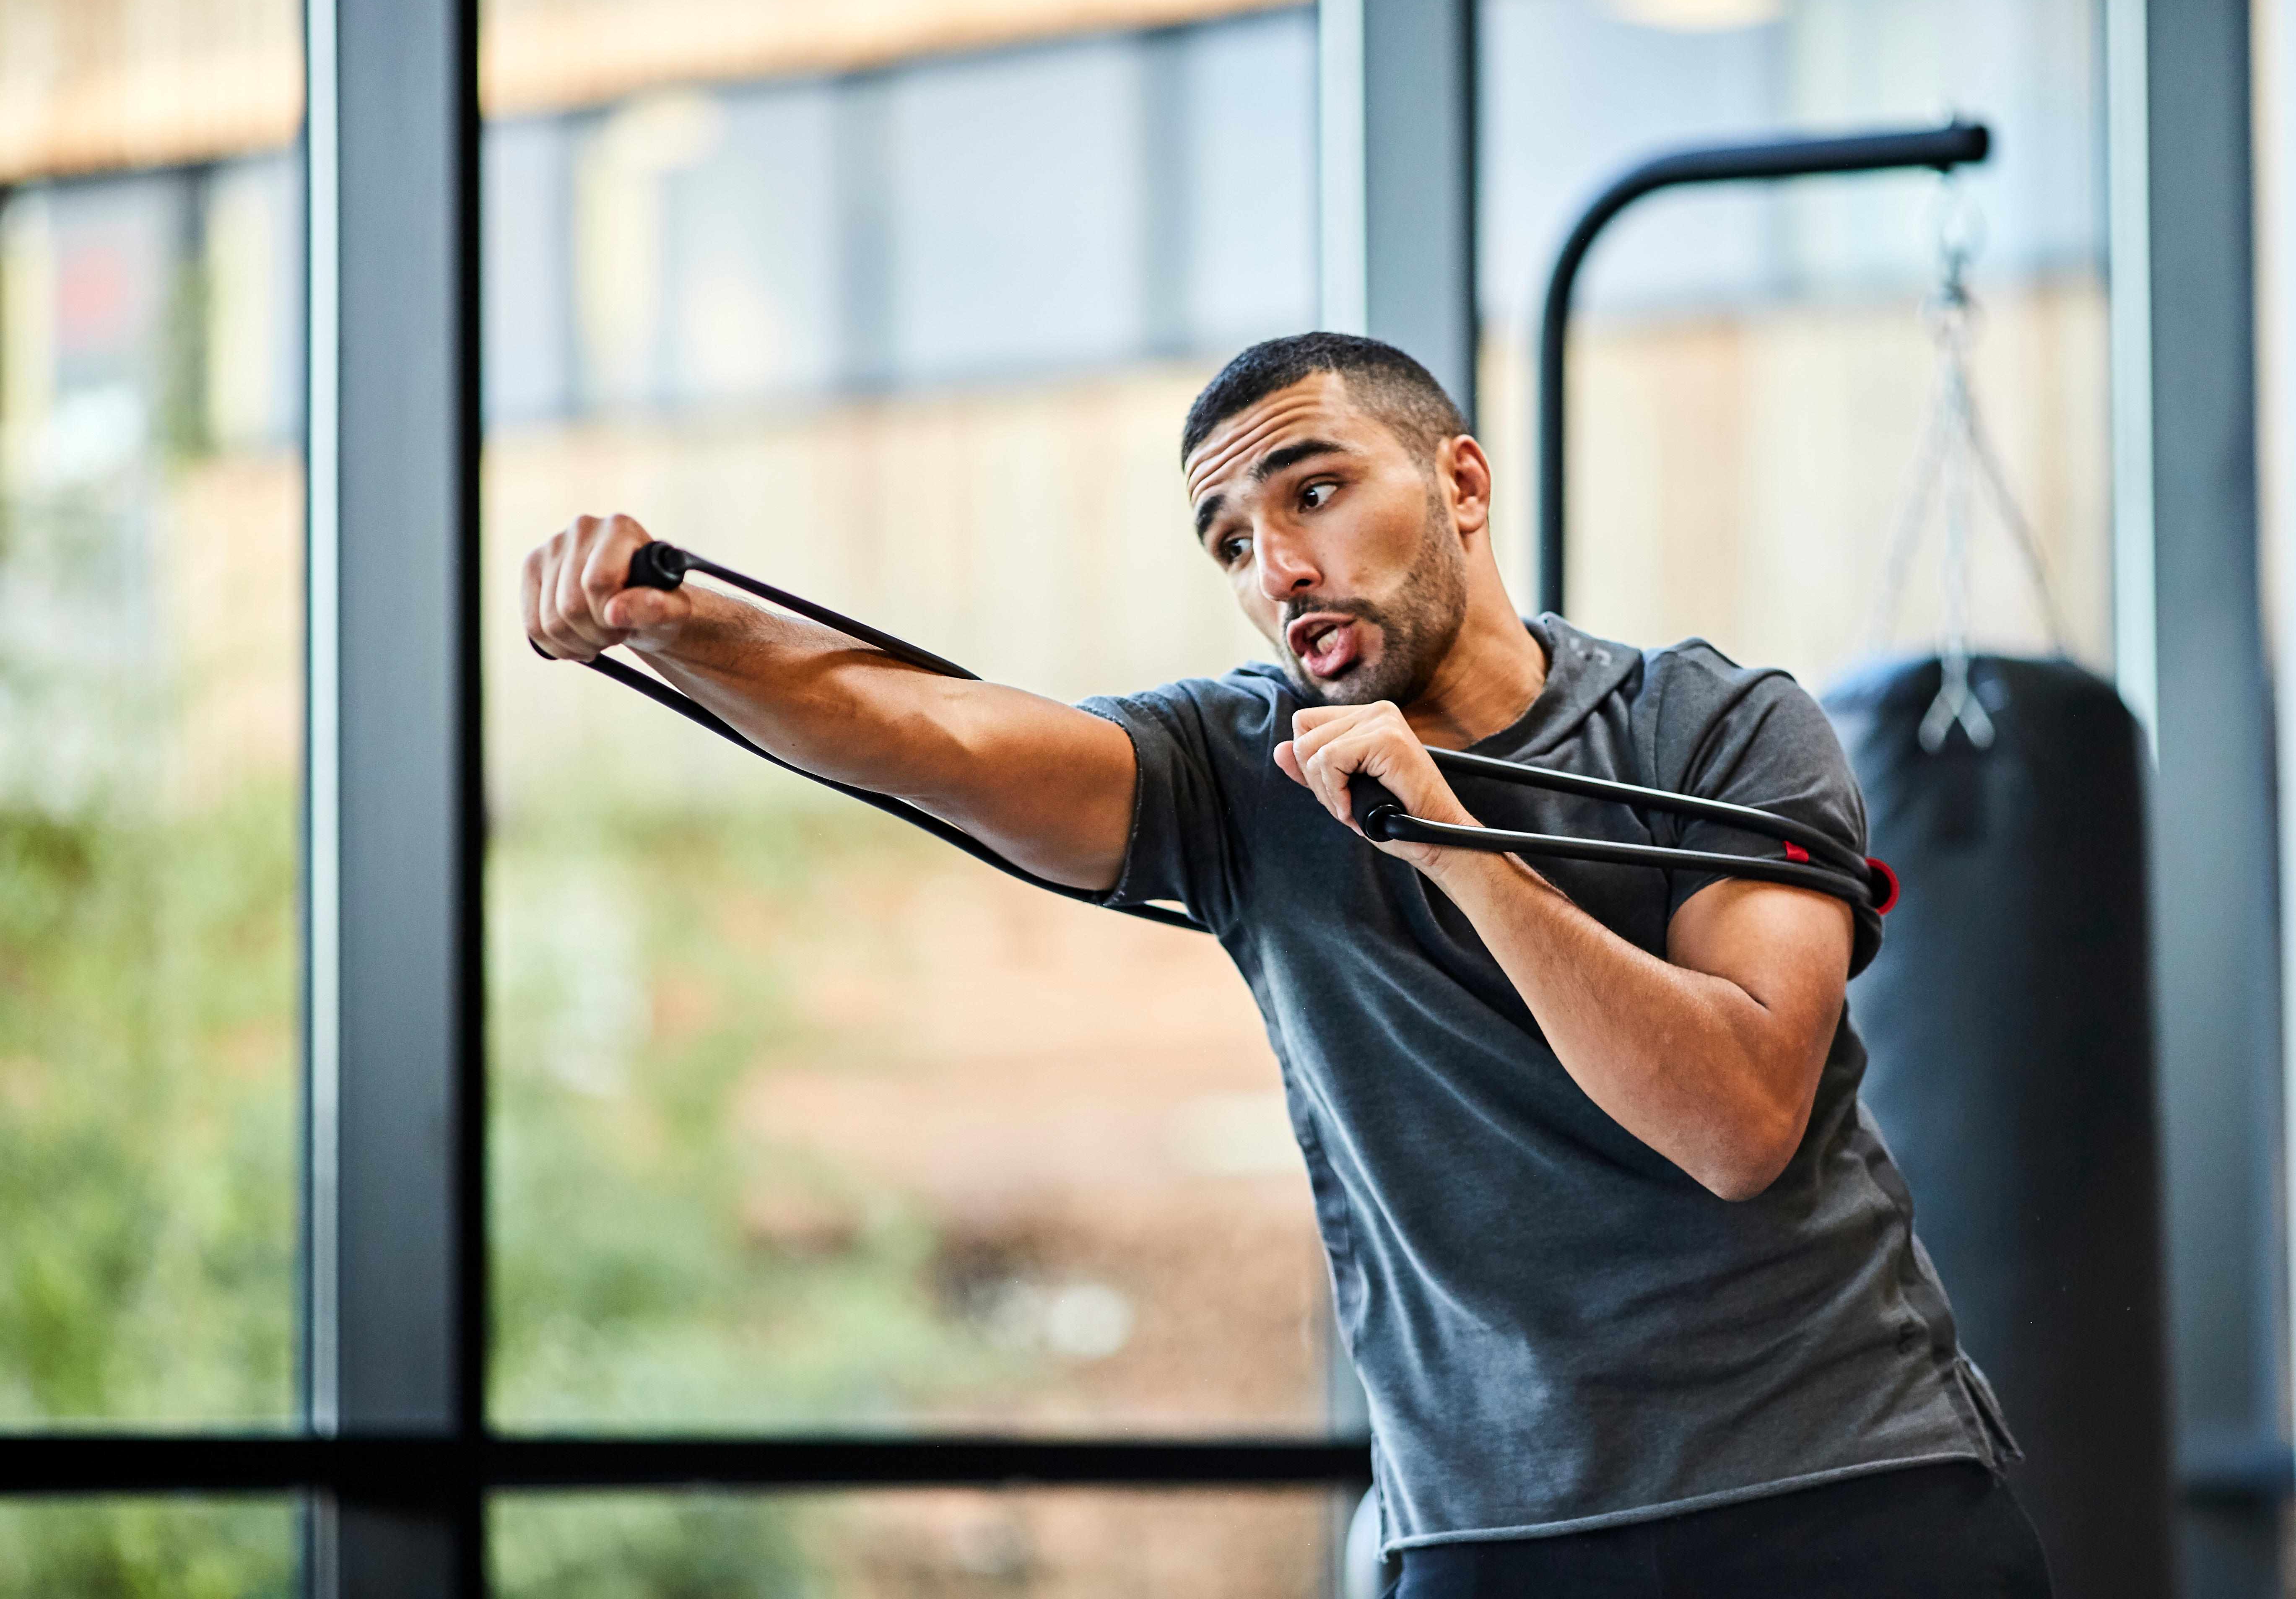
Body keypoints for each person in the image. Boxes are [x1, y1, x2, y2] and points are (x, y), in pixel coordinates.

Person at [524, 332, 2051, 1597]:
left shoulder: (1716, 729)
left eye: (1315, 494)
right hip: (1491, 1535)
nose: (1282, 569)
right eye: (1237, 544)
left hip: (1848, 1491)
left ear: (1461, 483)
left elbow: (1735, 1122)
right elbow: (931, 732)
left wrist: (1444, 834)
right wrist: (678, 620)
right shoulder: (1232, 772)